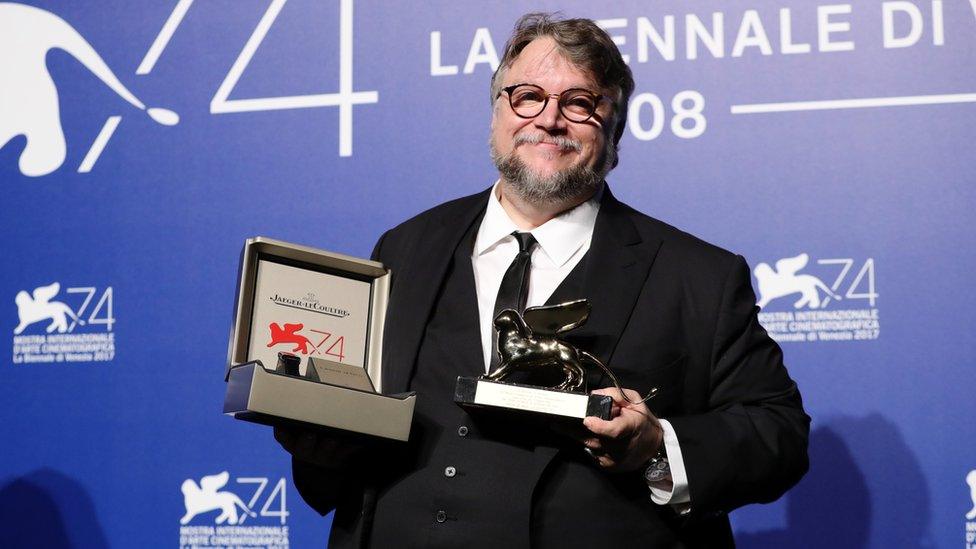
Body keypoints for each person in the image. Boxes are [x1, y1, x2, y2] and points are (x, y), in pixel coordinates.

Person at [275, 12, 809, 548]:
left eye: (579, 102)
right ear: (497, 113)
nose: (549, 119)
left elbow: (778, 433)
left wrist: (656, 447)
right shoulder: (405, 246)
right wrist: (321, 438)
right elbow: (352, 435)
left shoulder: (699, 276)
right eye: (527, 95)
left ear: (615, 129)